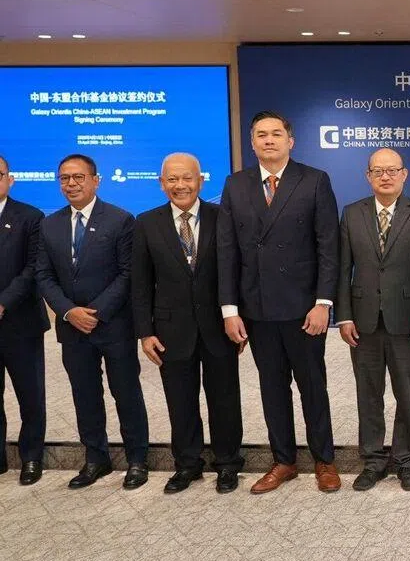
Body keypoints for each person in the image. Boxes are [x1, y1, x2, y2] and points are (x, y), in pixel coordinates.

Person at [217, 111, 341, 494]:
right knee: (272, 388)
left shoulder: (314, 180)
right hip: (256, 308)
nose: (268, 140)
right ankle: (284, 460)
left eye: (276, 134)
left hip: (304, 308)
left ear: (291, 140)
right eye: (260, 135)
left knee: (312, 387)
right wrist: (230, 309)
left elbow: (328, 247)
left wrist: (323, 302)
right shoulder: (235, 185)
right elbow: (227, 250)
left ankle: (324, 459)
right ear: (251, 142)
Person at [132, 153, 244, 494]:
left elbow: (235, 272)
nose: (180, 185)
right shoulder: (146, 222)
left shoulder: (222, 217)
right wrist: (145, 332)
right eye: (172, 179)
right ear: (161, 183)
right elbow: (139, 283)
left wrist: (237, 317)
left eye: (187, 178)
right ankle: (188, 464)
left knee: (224, 399)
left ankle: (227, 464)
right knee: (180, 401)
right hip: (170, 330)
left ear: (201, 180)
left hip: (218, 326)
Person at [35, 154, 149, 489]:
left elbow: (128, 274)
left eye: (78, 177)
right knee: (84, 395)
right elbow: (43, 274)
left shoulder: (121, 219)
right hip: (72, 328)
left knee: (126, 393)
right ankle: (95, 459)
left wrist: (95, 312)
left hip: (113, 325)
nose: (71, 184)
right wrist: (69, 312)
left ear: (95, 180)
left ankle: (137, 460)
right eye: (65, 178)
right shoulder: (49, 224)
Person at [336, 149, 410, 492]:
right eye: (378, 171)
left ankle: (407, 460)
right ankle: (374, 459)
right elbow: (342, 269)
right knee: (369, 393)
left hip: (407, 321)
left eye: (392, 170)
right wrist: (344, 316)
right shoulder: (351, 214)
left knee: (407, 393)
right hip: (362, 321)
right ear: (368, 176)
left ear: (404, 174)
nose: (385, 176)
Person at [0, 155, 50, 485]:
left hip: (20, 322)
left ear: (10, 178)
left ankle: (31, 457)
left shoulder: (30, 217)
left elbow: (33, 268)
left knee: (29, 395)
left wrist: (3, 302)